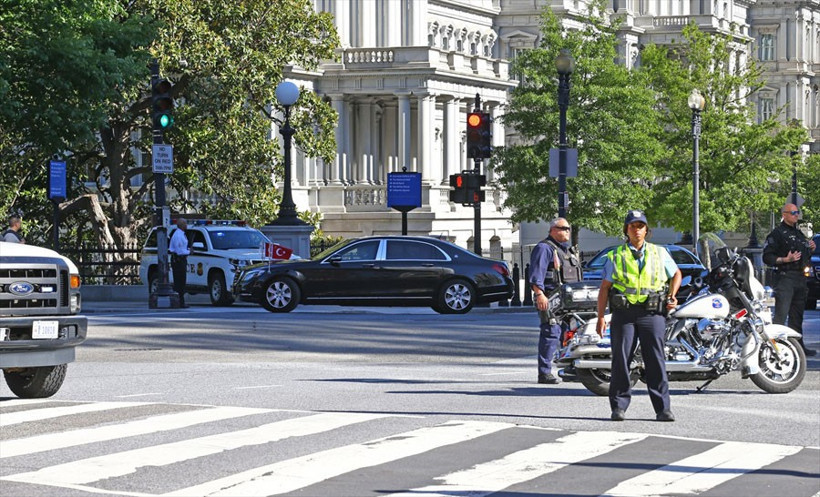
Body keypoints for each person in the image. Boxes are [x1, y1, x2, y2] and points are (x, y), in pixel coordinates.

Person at [595, 210, 681, 422]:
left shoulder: (659, 253)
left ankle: (663, 409)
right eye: (632, 226)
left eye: (640, 226)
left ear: (646, 230)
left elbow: (676, 274)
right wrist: (600, 317)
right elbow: (605, 288)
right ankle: (619, 407)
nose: (637, 230)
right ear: (626, 230)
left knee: (655, 360)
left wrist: (672, 294)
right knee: (621, 360)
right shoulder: (616, 255)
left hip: (652, 312)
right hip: (624, 313)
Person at [529, 217, 583, 385]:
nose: (567, 231)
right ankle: (544, 373)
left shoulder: (567, 251)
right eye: (563, 228)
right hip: (552, 298)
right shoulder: (545, 248)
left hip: (569, 301)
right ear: (552, 230)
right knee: (551, 333)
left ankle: (569, 367)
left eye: (568, 228)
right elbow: (536, 274)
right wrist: (539, 295)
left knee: (571, 335)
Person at [763, 203, 817, 357]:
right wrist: (785, 259)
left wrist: (810, 248)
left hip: (800, 278)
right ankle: (775, 347)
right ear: (784, 214)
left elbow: (804, 255)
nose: (796, 215)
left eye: (797, 212)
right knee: (781, 314)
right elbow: (767, 257)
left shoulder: (799, 234)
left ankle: (797, 347)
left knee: (797, 316)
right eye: (793, 212)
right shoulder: (777, 234)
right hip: (785, 278)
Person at [169, 218, 191, 308]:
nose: (186, 225)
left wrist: (187, 250)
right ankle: (179, 302)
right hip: (178, 260)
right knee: (179, 282)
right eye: (185, 223)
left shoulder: (181, 234)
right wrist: (189, 252)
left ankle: (180, 301)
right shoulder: (178, 235)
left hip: (181, 259)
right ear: (181, 225)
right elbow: (179, 251)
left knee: (182, 282)